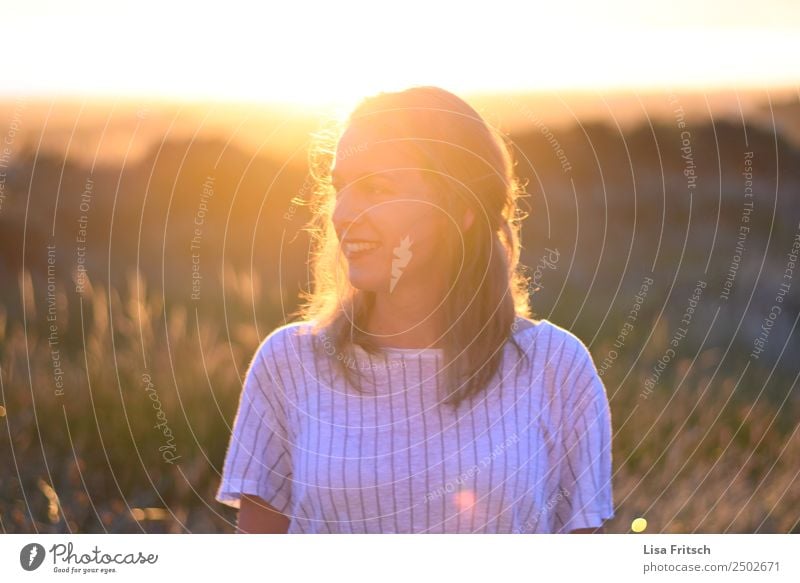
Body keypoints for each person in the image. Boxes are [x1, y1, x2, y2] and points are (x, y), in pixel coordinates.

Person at [215, 86, 614, 533]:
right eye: (340, 188)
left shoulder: (556, 367)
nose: (343, 214)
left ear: (461, 208)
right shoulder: (289, 364)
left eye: (376, 188)